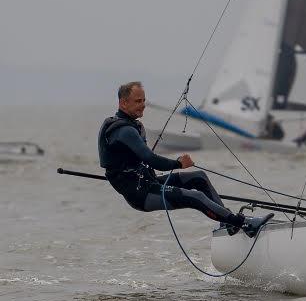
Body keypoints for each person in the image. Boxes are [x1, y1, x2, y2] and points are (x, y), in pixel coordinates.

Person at [98, 81, 272, 237]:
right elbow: (151, 160)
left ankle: (227, 221)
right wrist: (179, 163)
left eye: (144, 100)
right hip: (141, 195)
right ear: (123, 102)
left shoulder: (133, 126)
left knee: (198, 177)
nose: (143, 105)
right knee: (196, 197)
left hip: (149, 183)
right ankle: (245, 224)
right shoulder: (124, 131)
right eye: (138, 101)